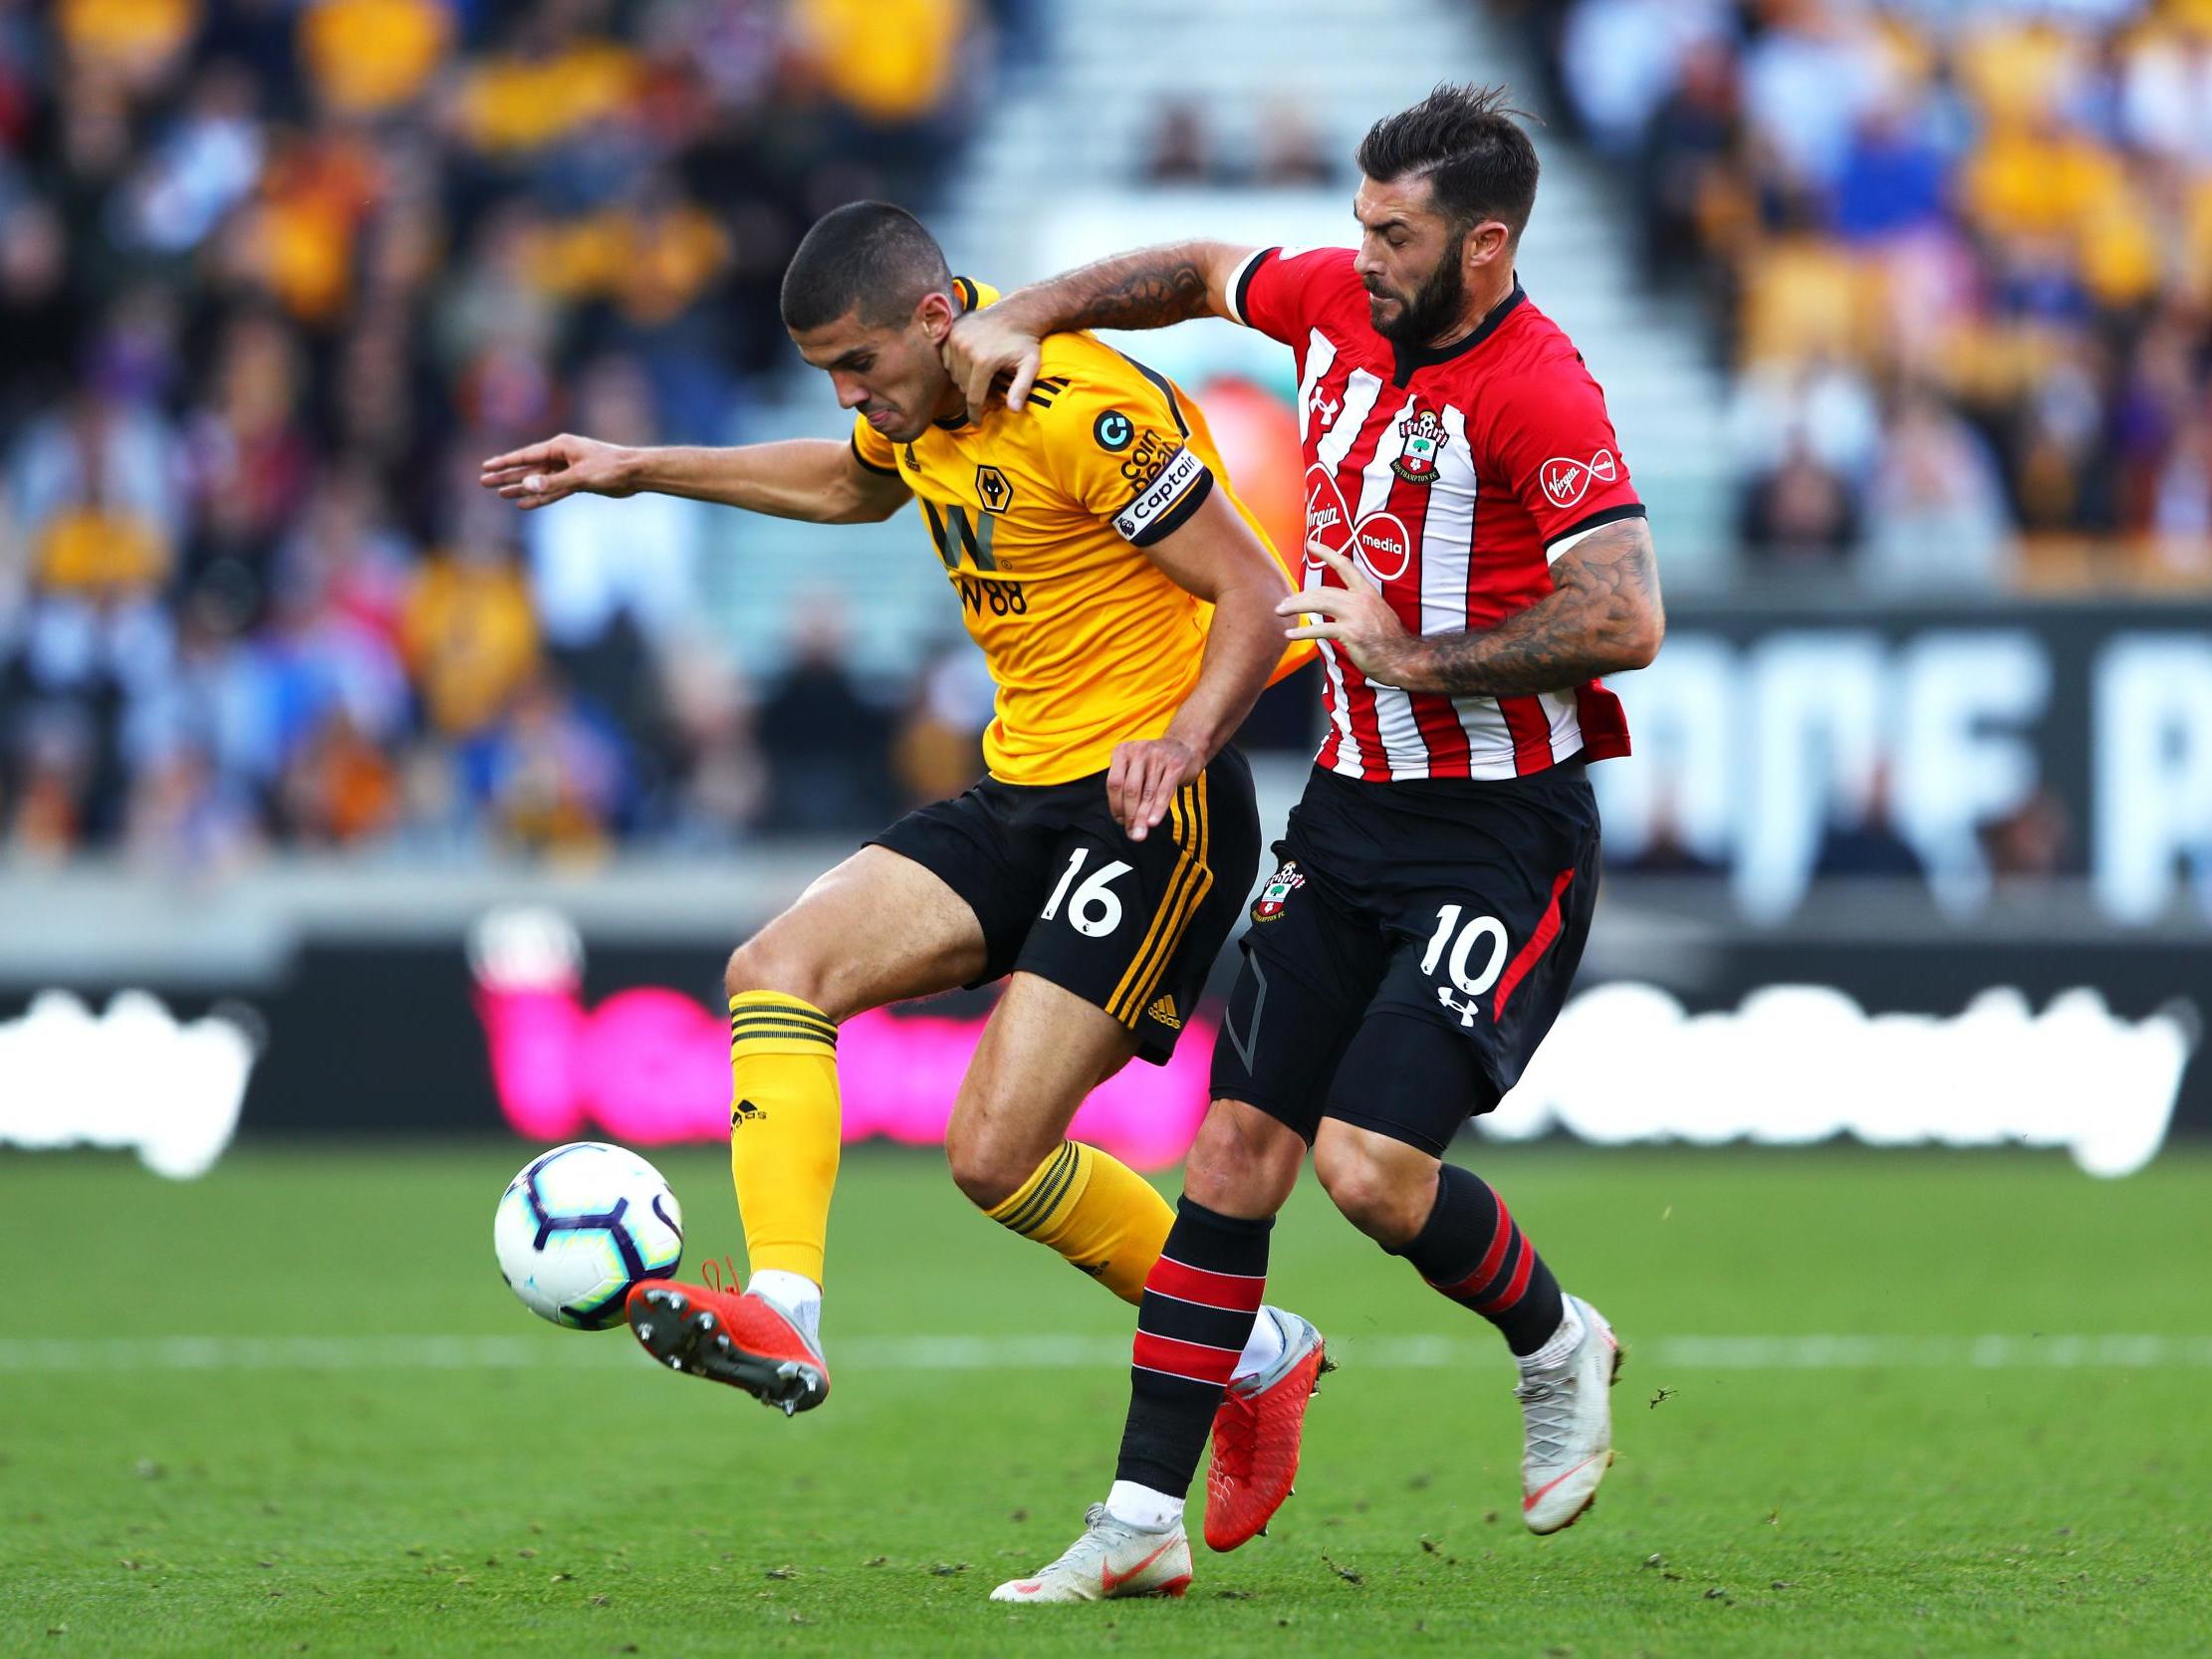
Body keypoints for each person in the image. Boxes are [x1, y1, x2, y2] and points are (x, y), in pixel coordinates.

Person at [480, 203, 1327, 1540]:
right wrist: (634, 467)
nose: (849, 394)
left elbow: (1258, 594)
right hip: (1023, 785)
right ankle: (790, 1312)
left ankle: (1260, 1352)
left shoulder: (1077, 406)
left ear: (934, 318)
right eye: (828, 372)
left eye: (858, 363)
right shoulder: (921, 397)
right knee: (778, 968)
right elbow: (845, 482)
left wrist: (1177, 740)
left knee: (992, 1152)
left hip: (1156, 799)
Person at [945, 85, 1666, 1600]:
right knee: (1230, 1145)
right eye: (1356, 220)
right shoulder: (1338, 297)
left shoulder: (1538, 389)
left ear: (1483, 245)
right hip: (1344, 811)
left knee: (1367, 1171)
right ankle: (1139, 1517)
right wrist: (1025, 309)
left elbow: (1626, 613)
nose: (1359, 252)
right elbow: (1201, 269)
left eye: (1391, 233)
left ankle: (1554, 1337)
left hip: (1497, 832)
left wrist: (1409, 658)